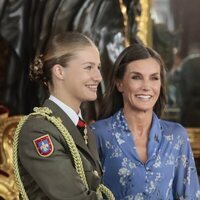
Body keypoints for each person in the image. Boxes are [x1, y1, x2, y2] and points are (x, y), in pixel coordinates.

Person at [91, 43, 200, 200]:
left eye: (154, 78)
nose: (147, 86)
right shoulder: (98, 134)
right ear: (119, 83)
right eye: (136, 77)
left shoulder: (176, 136)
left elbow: (190, 196)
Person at [12, 32, 114, 200]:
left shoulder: (83, 129)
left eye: (98, 67)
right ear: (59, 71)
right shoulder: (38, 130)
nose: (98, 77)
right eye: (88, 67)